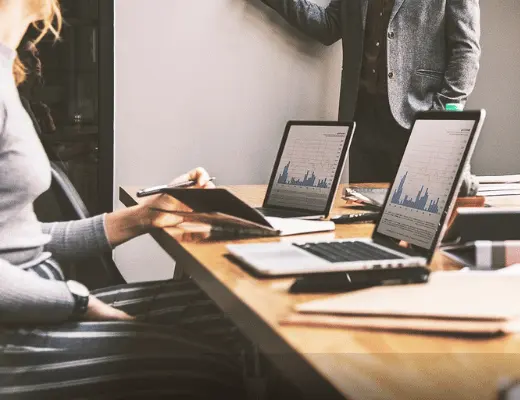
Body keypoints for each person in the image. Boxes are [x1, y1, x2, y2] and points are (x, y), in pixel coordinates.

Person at [0, 1, 270, 398]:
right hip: (17, 332)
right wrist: (80, 304)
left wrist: (143, 216)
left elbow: (15, 237)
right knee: (213, 367)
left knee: (241, 315)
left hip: (38, 305)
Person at [259, 0, 481, 183]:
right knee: (364, 218)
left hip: (417, 120)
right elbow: (328, 26)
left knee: (415, 222)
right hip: (362, 121)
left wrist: (442, 113)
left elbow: (466, 49)